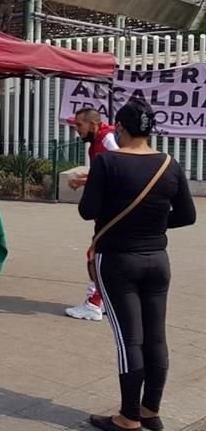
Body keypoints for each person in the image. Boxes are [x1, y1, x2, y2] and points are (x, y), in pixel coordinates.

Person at [79, 100, 195, 431]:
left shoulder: (108, 162)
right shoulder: (170, 164)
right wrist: (153, 224)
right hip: (158, 259)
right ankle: (149, 411)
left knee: (129, 339)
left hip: (117, 259)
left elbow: (88, 211)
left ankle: (128, 417)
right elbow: (187, 216)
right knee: (155, 337)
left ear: (120, 128)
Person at [66, 106, 120, 322]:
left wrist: (84, 181)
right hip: (109, 209)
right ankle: (105, 300)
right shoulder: (101, 140)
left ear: (94, 124)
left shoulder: (108, 140)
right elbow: (108, 172)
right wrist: (85, 180)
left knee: (95, 255)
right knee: (106, 255)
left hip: (112, 209)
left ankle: (93, 303)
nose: (77, 130)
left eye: (79, 125)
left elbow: (119, 169)